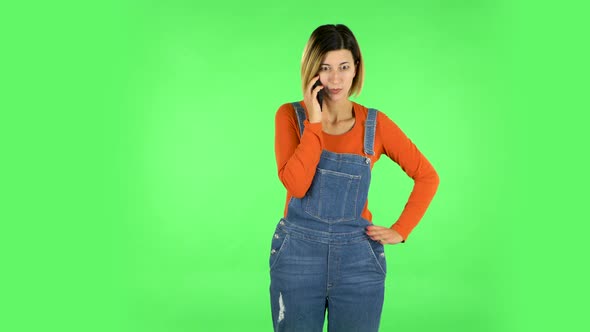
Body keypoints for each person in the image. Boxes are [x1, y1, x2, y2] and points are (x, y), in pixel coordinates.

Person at [270, 24, 440, 332]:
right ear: (312, 72)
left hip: (357, 262)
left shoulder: (375, 125)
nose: (335, 79)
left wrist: (402, 229)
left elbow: (427, 176)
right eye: (325, 68)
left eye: (344, 67)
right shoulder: (290, 117)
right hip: (297, 258)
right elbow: (296, 185)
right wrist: (315, 123)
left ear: (356, 69)